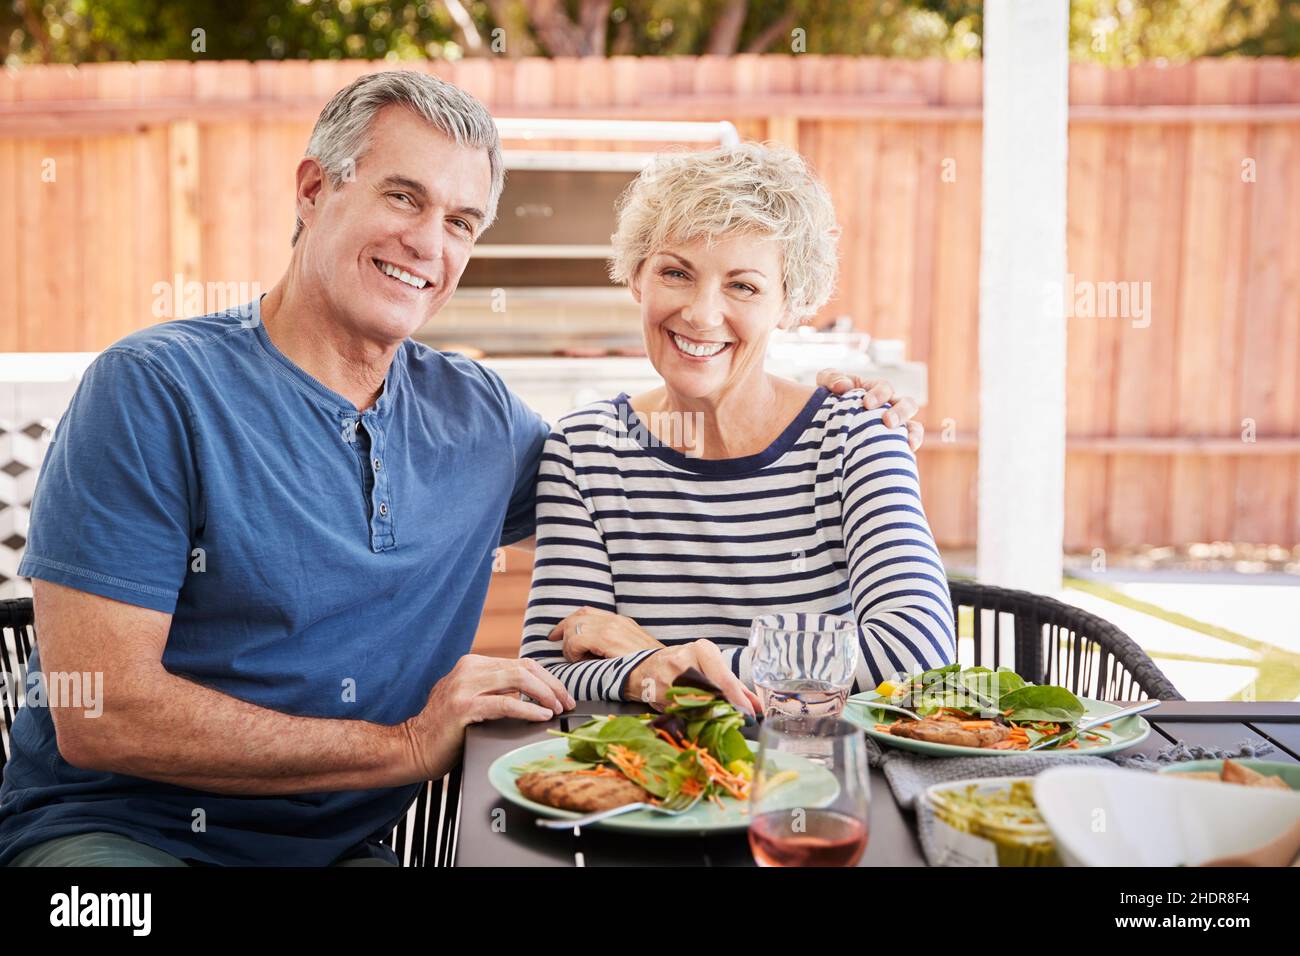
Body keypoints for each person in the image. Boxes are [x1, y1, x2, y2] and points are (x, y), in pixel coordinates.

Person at [0, 72, 923, 867]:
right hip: (124, 838)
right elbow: (102, 714)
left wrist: (829, 405)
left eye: (461, 221)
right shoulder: (154, 390)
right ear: (314, 189)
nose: (428, 245)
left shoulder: (478, 418)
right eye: (403, 198)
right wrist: (402, 743)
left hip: (340, 848)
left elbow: (635, 470)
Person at [520, 143, 955, 709]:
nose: (701, 314)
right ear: (637, 279)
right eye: (676, 273)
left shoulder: (857, 436)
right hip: (650, 785)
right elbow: (551, 668)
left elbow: (917, 653)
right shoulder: (585, 451)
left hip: (825, 775)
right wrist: (689, 667)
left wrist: (667, 661)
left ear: (790, 303)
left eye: (743, 285)